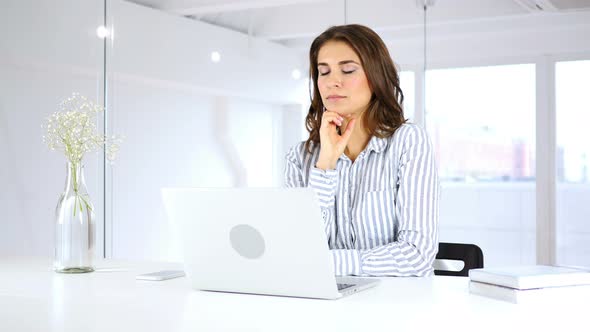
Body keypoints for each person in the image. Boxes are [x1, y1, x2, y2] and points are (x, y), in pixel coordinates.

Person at [284, 24, 439, 277]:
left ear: (376, 77)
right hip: (325, 303)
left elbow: (417, 255)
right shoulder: (300, 157)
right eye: (324, 72)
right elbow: (299, 246)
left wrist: (326, 263)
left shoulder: (409, 142)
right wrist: (325, 165)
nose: (333, 82)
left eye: (347, 70)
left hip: (397, 305)